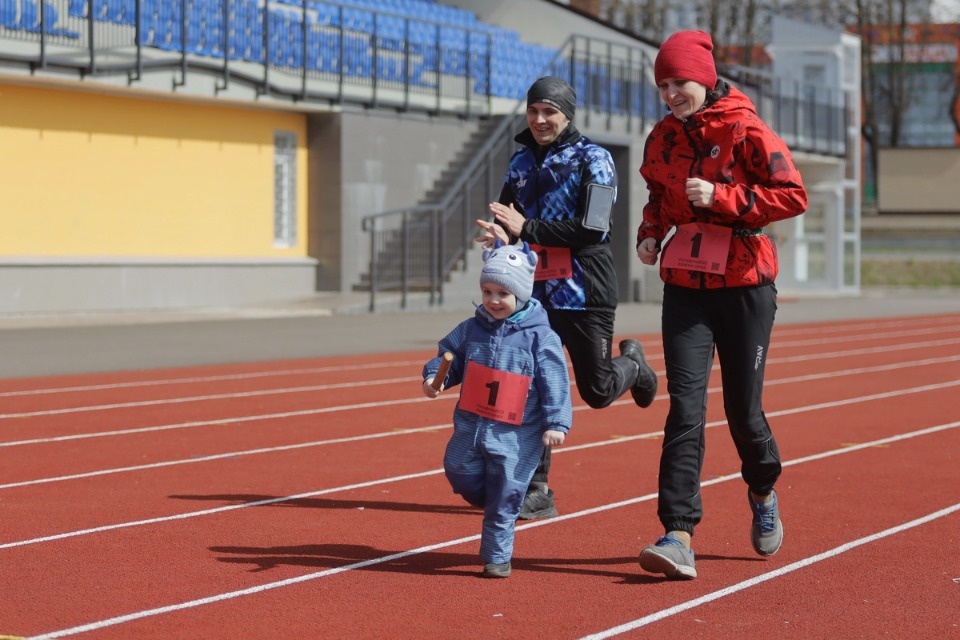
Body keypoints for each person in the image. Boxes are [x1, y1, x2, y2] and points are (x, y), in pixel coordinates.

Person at [634, 30, 808, 579]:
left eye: (678, 83)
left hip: (744, 286)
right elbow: (660, 196)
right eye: (662, 85)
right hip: (685, 284)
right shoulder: (661, 137)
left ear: (704, 79)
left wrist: (725, 197)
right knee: (685, 407)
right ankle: (678, 532)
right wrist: (649, 231)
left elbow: (793, 194)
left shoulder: (746, 127)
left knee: (743, 413)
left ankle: (762, 490)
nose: (670, 94)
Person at [476, 76, 659, 520]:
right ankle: (536, 490)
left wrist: (526, 229)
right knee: (528, 386)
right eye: (533, 111)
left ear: (567, 114)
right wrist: (497, 234)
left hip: (583, 289)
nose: (540, 120)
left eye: (549, 112)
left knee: (596, 392)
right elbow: (508, 217)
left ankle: (632, 364)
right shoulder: (520, 161)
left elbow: (593, 229)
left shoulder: (594, 159)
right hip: (531, 292)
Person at [421, 240, 572, 579]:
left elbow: (555, 381)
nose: (492, 300)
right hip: (470, 425)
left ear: (520, 294)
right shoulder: (471, 328)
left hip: (518, 434)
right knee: (456, 467)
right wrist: (435, 377)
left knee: (505, 496)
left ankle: (497, 557)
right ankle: (499, 499)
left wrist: (557, 423)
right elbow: (449, 356)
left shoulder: (540, 337)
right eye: (487, 291)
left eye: (502, 293)